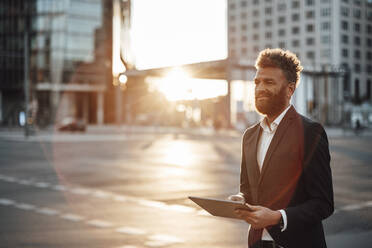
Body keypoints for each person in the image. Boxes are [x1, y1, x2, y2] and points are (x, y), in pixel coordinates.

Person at [228, 48, 334, 248]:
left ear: (290, 89)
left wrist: (278, 217)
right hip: (258, 242)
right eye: (257, 82)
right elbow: (247, 190)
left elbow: (323, 203)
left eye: (269, 82)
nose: (260, 88)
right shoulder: (249, 136)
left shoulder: (310, 132)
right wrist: (240, 200)